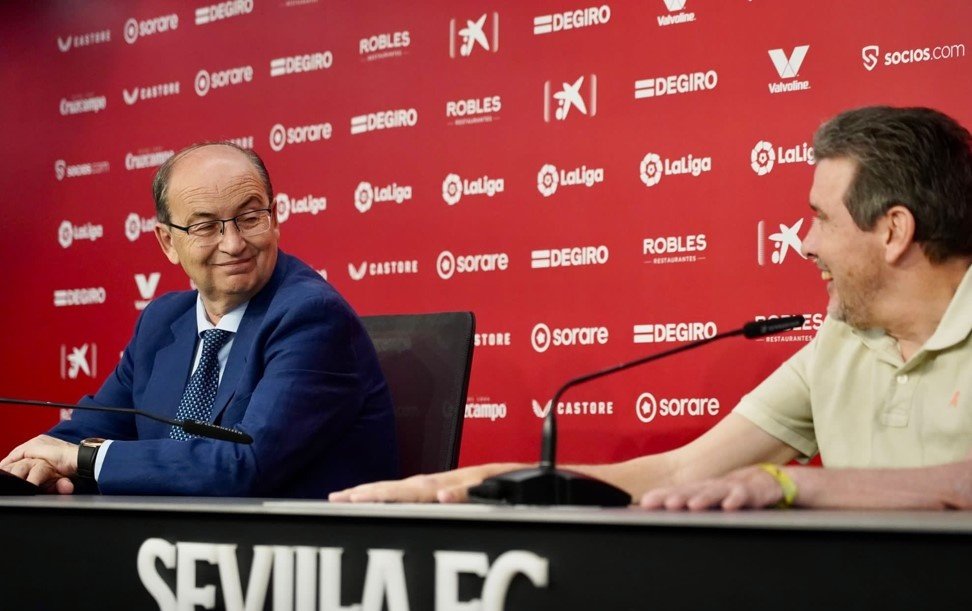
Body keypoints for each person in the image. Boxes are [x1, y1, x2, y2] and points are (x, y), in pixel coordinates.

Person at [330, 105, 972, 510]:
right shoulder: (841, 342)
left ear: (893, 231)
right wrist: (460, 489)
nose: (803, 244)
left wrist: (793, 484)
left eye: (820, 220)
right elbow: (671, 472)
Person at [0, 142, 398, 497]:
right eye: (206, 226)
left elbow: (244, 465)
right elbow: (94, 426)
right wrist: (34, 464)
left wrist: (83, 460)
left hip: (289, 558)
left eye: (250, 217)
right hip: (168, 548)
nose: (233, 243)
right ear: (168, 242)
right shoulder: (162, 320)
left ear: (274, 219)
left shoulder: (311, 317)